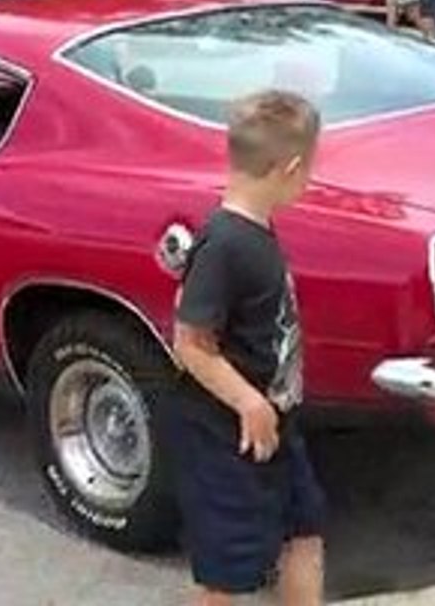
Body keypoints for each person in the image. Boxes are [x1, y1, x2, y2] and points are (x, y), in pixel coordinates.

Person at [171, 91, 325, 606]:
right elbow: (189, 343)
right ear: (291, 168)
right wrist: (248, 402)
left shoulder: (256, 232)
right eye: (310, 171)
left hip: (278, 423)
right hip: (228, 435)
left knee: (304, 532)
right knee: (229, 570)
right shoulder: (225, 243)